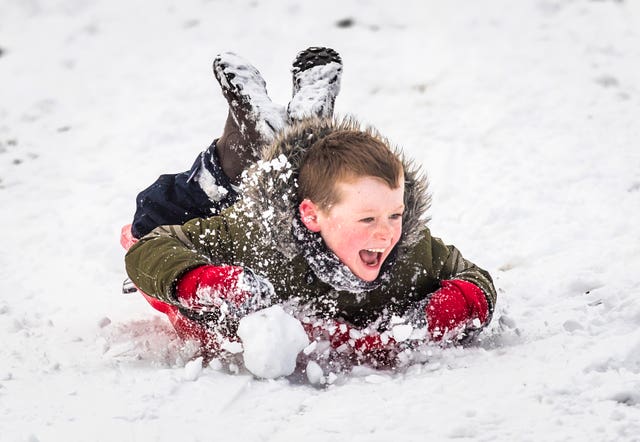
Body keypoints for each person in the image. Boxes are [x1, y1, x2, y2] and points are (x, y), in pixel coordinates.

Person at [123, 47, 497, 371]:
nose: (386, 233)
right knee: (153, 215)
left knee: (327, 179)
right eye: (367, 220)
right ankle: (233, 159)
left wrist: (445, 310)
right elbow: (148, 250)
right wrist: (208, 282)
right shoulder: (257, 236)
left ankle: (300, 137)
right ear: (311, 216)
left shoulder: (410, 253)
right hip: (250, 209)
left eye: (395, 215)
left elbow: (474, 278)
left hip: (312, 194)